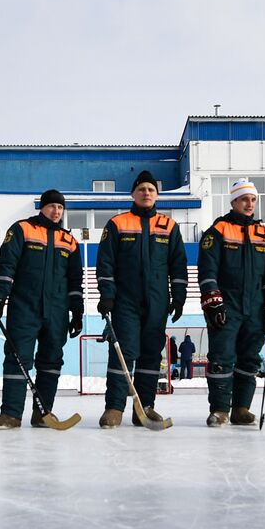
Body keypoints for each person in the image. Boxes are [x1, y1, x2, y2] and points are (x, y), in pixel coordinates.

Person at [95, 171, 187, 427]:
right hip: (126, 302)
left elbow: (178, 265)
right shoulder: (118, 224)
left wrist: (178, 297)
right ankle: (114, 407)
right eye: (142, 189)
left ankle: (144, 407)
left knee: (150, 355)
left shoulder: (169, 227)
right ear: (133, 194)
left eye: (151, 189)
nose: (147, 193)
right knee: (124, 353)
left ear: (157, 195)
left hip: (157, 302)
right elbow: (105, 263)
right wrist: (108, 296)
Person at [0, 189, 83, 428]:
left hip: (57, 311)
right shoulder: (22, 230)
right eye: (52, 206)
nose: (56, 211)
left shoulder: (69, 241)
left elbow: (74, 281)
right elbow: (7, 266)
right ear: (42, 207)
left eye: (60, 208)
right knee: (18, 358)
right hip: (24, 308)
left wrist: (77, 311)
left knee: (51, 361)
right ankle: (10, 413)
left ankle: (43, 413)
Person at [198, 179, 265, 425]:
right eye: (244, 199)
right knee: (222, 357)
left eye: (253, 199)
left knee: (250, 358)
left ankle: (241, 408)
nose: (249, 204)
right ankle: (220, 410)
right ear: (233, 201)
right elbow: (207, 270)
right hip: (227, 305)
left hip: (256, 308)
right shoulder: (218, 231)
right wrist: (213, 300)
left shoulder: (263, 234)